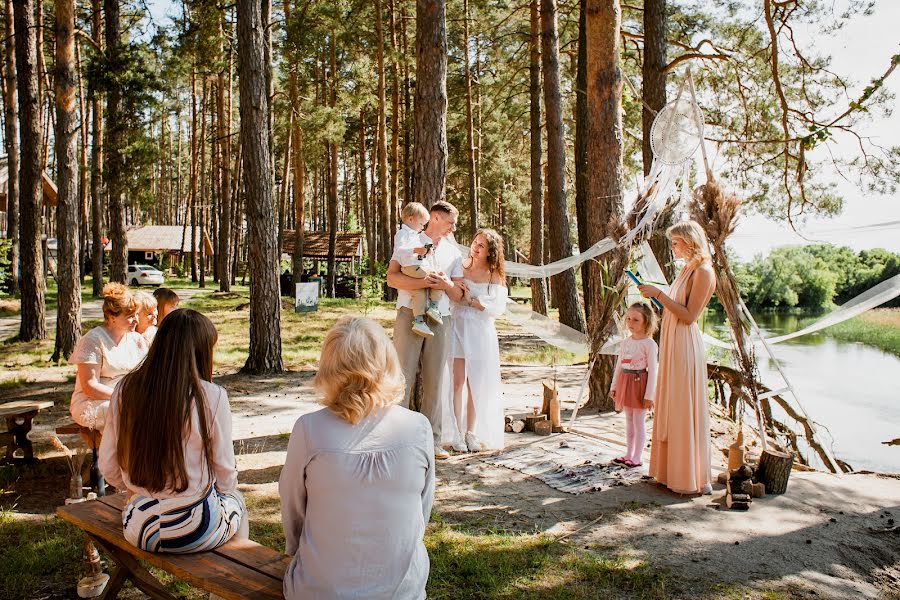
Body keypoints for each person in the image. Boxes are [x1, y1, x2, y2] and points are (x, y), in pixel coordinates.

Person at [279, 316, 434, 599]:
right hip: (400, 591)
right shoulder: (418, 427)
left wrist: (302, 552)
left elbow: (293, 512)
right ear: (387, 361)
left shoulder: (309, 429)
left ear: (329, 365)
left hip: (320, 590)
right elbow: (420, 514)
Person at [99, 309, 248, 553]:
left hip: (139, 526)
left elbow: (108, 466)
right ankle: (230, 583)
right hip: (195, 527)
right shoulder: (211, 395)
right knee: (238, 502)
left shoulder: (126, 388)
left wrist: (137, 491)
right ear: (201, 351)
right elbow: (225, 475)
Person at [638, 220, 717, 495]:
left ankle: (687, 475)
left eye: (675, 243)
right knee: (671, 401)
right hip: (672, 340)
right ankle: (668, 472)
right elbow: (674, 306)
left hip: (684, 343)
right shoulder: (687, 269)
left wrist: (658, 293)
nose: (672, 248)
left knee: (683, 404)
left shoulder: (704, 271)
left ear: (689, 241)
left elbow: (689, 315)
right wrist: (655, 296)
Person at [387, 201, 466, 459]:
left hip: (440, 318)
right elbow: (392, 277)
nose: (454, 227)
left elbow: (457, 294)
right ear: (434, 218)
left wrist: (444, 284)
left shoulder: (453, 253)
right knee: (403, 377)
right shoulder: (409, 240)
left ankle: (432, 441)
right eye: (450, 222)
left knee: (435, 380)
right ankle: (397, 439)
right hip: (409, 313)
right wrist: (421, 282)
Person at [448, 229, 509, 452]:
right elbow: (450, 292)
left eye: (482, 245)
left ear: (490, 252)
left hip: (480, 330)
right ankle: (455, 431)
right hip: (458, 326)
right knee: (457, 381)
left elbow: (497, 308)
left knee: (475, 383)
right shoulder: (459, 267)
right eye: (475, 241)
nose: (475, 246)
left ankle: (471, 433)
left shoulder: (495, 276)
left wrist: (471, 301)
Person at [69, 283, 148, 430]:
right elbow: (90, 386)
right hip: (94, 402)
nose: (137, 320)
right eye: (130, 316)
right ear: (112, 317)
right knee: (126, 412)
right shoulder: (93, 340)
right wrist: (124, 397)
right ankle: (117, 453)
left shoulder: (136, 339)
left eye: (137, 314)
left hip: (128, 399)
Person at [609, 303, 659, 468]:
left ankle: (637, 457)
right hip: (625, 381)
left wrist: (648, 396)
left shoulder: (649, 344)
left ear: (647, 322)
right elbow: (619, 366)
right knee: (629, 420)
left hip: (640, 384)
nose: (630, 323)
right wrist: (614, 386)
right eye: (629, 319)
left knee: (639, 422)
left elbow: (653, 371)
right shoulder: (625, 343)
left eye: (636, 320)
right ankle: (628, 454)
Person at [394, 202, 443, 338]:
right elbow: (399, 251)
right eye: (421, 224)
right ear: (410, 219)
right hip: (411, 267)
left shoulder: (415, 235)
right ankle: (433, 307)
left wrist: (427, 250)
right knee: (436, 278)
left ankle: (419, 321)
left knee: (418, 292)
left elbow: (419, 252)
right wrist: (416, 249)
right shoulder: (402, 234)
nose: (422, 228)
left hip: (415, 266)